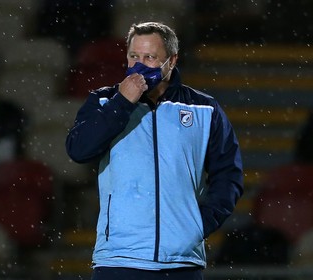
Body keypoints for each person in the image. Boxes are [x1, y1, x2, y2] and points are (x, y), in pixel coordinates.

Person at [66, 22, 243, 280]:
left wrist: (198, 224)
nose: (140, 65)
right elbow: (78, 150)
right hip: (118, 260)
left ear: (171, 61)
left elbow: (229, 174)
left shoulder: (205, 109)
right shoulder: (104, 102)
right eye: (134, 56)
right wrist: (123, 103)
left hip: (180, 264)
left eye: (150, 57)